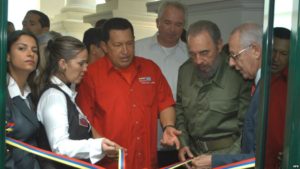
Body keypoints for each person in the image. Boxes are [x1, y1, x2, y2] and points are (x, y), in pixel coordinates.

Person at [76, 17, 181, 169]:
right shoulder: (90, 75)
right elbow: (85, 120)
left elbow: (165, 103)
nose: (125, 51)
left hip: (147, 162)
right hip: (111, 164)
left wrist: (168, 127)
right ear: (105, 46)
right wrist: (102, 146)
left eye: (129, 44)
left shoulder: (150, 69)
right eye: (118, 45)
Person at [35, 36, 120, 168]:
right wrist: (98, 145)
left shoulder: (65, 95)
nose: (86, 68)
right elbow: (60, 146)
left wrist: (104, 145)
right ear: (63, 64)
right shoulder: (54, 96)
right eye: (81, 63)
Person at [176, 20, 251, 167]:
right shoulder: (185, 71)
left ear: (218, 45)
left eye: (204, 53)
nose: (198, 61)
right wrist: (183, 143)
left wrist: (219, 161)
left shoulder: (239, 73)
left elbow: (247, 131)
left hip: (228, 158)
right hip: (193, 157)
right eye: (192, 54)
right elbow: (180, 110)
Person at [190, 23, 263, 168]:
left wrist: (215, 161)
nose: (231, 62)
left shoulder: (269, 90)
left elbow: (261, 157)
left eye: (235, 56)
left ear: (255, 50)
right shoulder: (261, 85)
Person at [135, 1, 188, 166]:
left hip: (179, 140)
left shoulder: (190, 54)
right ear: (157, 22)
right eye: (167, 22)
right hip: (143, 138)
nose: (172, 29)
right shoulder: (137, 50)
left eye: (178, 24)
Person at [5, 30, 41, 169]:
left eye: (35, 50)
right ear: (7, 55)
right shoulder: (4, 94)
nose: (31, 54)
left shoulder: (32, 92)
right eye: (22, 48)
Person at [265, 27, 290, 169]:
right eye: (273, 50)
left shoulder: (293, 84)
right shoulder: (254, 76)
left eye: (283, 53)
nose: (276, 58)